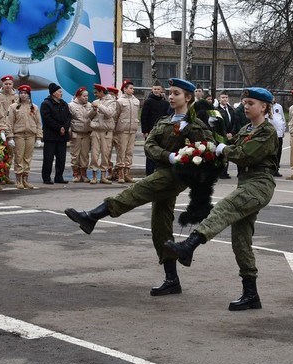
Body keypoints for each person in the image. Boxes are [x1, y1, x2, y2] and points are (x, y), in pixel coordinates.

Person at [64, 78, 214, 296]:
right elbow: (150, 145)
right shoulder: (165, 120)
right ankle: (172, 279)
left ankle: (93, 216)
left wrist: (183, 160)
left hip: (176, 176)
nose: (171, 97)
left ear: (188, 98)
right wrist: (168, 155)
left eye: (176, 93)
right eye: (169, 93)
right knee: (160, 226)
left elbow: (204, 150)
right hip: (163, 169)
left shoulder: (196, 124)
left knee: (136, 191)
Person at [165, 87, 279, 311]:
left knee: (225, 208)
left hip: (260, 184)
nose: (246, 106)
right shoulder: (246, 128)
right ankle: (251, 294)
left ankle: (190, 244)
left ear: (264, 107)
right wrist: (213, 141)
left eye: (251, 103)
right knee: (241, 239)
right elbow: (230, 146)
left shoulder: (267, 131)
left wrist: (222, 149)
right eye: (245, 102)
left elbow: (244, 154)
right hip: (245, 182)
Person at [8, 85, 42, 189]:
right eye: (21, 93)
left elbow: (38, 123)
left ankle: (25, 179)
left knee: (28, 158)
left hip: (30, 134)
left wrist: (39, 137)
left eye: (25, 93)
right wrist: (10, 137)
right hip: (19, 135)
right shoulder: (13, 107)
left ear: (29, 95)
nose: (23, 95)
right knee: (19, 156)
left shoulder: (34, 107)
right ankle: (18, 180)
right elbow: (9, 122)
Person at [40, 82, 72, 184]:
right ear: (53, 93)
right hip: (51, 136)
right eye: (59, 91)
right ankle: (46, 178)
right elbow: (47, 119)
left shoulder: (64, 104)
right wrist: (59, 128)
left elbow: (68, 117)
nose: (61, 93)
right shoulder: (46, 104)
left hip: (62, 136)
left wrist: (65, 128)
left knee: (61, 159)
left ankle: (59, 177)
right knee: (48, 159)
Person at [88, 84, 117, 184]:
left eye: (96, 92)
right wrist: (93, 110)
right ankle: (94, 176)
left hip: (106, 132)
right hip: (96, 131)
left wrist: (99, 106)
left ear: (101, 92)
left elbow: (109, 113)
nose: (95, 95)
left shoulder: (112, 101)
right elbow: (89, 116)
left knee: (105, 154)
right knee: (94, 154)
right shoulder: (95, 102)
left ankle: (103, 176)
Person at [141, 81, 170, 176]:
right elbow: (144, 116)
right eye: (155, 89)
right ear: (152, 90)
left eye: (158, 89)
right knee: (150, 152)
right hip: (150, 130)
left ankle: (159, 172)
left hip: (162, 131)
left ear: (161, 90)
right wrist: (145, 131)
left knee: (160, 152)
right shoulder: (148, 101)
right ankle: (149, 173)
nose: (156, 91)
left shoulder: (165, 103)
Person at [114, 79, 139, 183]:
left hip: (132, 130)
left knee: (129, 152)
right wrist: (114, 130)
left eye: (133, 88)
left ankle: (127, 173)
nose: (132, 90)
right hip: (122, 130)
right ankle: (120, 173)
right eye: (130, 88)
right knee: (121, 151)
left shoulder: (136, 101)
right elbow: (116, 116)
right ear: (124, 89)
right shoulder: (119, 101)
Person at [0, 74, 18, 183]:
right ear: (2, 85)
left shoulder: (16, 97)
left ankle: (7, 175)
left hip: (12, 128)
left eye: (10, 84)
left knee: (10, 154)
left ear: (12, 85)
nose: (8, 86)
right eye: (6, 84)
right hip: (0, 128)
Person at [68, 87, 93, 183]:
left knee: (85, 155)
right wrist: (70, 132)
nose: (86, 98)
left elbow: (92, 118)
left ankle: (84, 174)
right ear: (78, 96)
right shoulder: (71, 106)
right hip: (76, 133)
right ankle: (76, 174)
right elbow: (68, 120)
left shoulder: (90, 105)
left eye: (87, 96)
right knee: (75, 154)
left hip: (86, 133)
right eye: (84, 96)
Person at [216, 91, 237, 179]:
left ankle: (225, 171)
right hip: (221, 135)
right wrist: (225, 134)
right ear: (219, 99)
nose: (224, 99)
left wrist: (231, 133)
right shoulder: (217, 110)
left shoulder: (231, 109)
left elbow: (234, 122)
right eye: (223, 97)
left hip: (230, 134)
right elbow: (219, 124)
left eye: (226, 97)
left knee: (227, 152)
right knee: (221, 153)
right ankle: (221, 172)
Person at [269, 97, 286, 177]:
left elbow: (282, 118)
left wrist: (283, 130)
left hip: (279, 133)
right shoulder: (265, 106)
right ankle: (270, 169)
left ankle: (276, 169)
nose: (272, 99)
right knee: (270, 152)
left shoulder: (279, 107)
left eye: (273, 97)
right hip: (270, 134)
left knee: (278, 152)